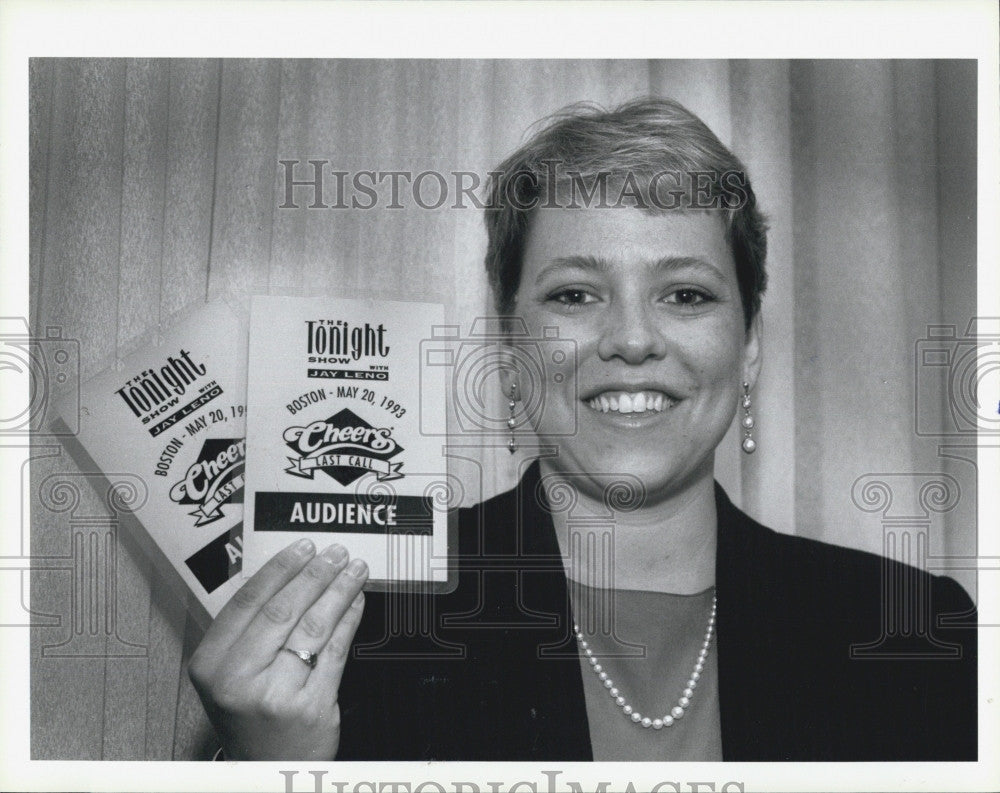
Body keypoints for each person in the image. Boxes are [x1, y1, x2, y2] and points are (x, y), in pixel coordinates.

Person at [188, 98, 977, 761]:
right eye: (574, 295)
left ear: (751, 348)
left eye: (687, 295)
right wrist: (276, 770)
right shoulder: (359, 627)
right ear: (508, 348)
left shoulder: (913, 631)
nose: (632, 339)